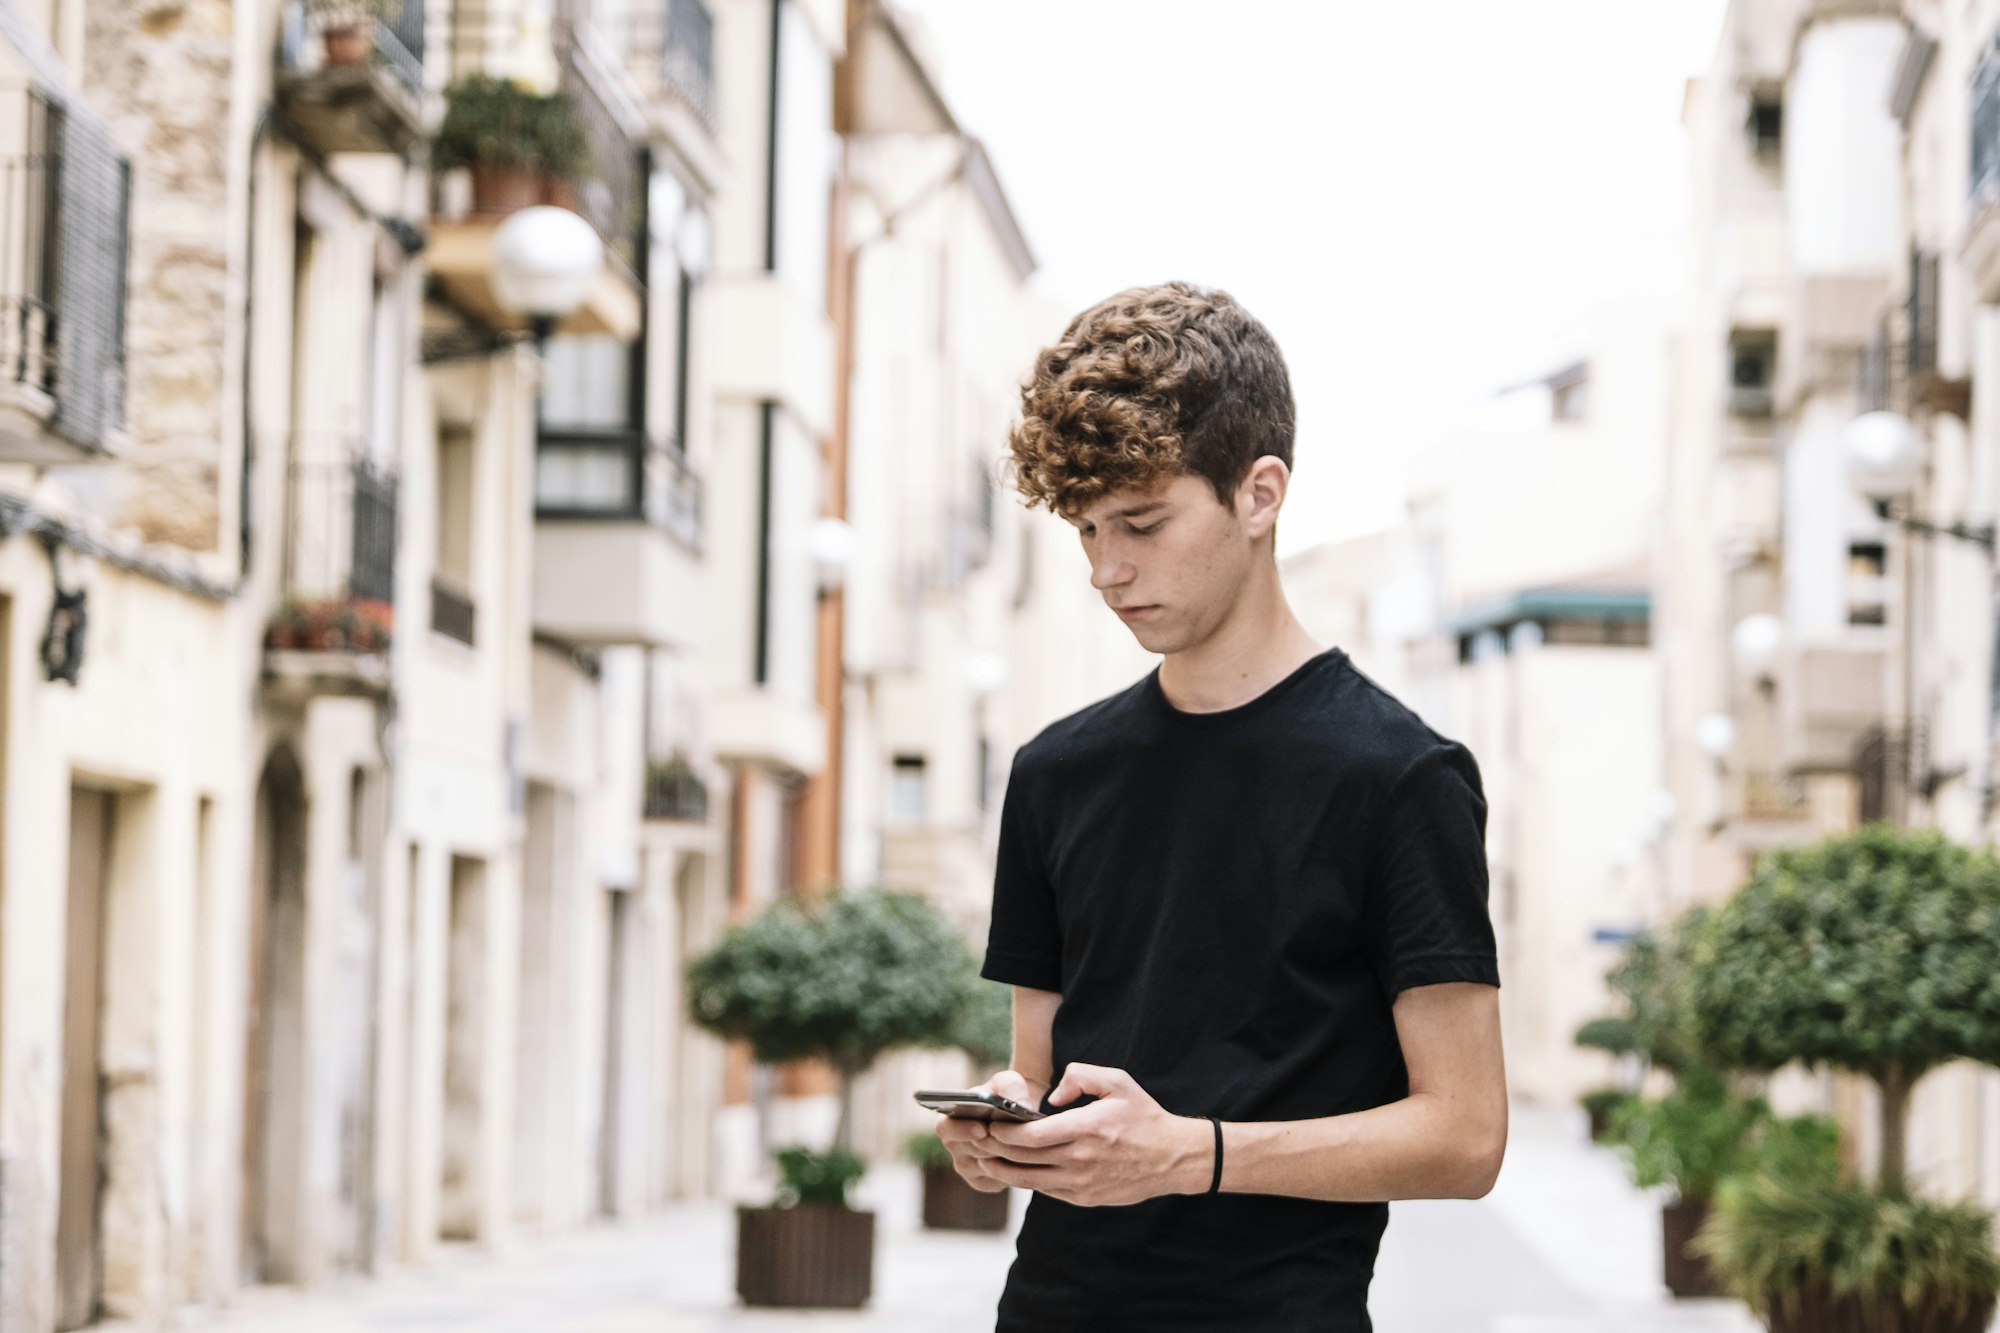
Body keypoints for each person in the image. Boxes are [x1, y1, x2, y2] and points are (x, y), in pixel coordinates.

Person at [932, 281, 1508, 1331]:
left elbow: (1465, 1136)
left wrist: (1191, 1155)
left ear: (1258, 493)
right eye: (1087, 528)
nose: (1107, 570)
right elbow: (1036, 1068)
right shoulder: (1054, 772)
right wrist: (1002, 1125)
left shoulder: (1399, 777)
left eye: (1142, 523)